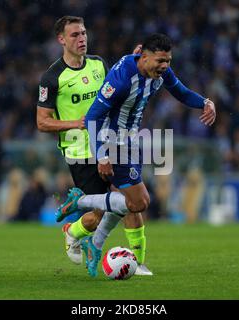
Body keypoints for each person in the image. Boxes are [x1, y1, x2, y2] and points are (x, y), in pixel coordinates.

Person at [57, 33, 216, 277]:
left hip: (132, 141)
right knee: (138, 202)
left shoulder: (159, 73)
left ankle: (114, 252)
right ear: (144, 57)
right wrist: (101, 155)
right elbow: (91, 117)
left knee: (131, 206)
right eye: (160, 61)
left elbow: (181, 92)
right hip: (111, 142)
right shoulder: (122, 79)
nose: (164, 66)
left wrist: (205, 102)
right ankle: (79, 205)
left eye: (168, 61)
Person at [36, 16, 152, 275]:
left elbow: (116, 86)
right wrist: (76, 123)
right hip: (79, 152)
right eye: (75, 35)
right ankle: (73, 228)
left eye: (84, 33)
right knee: (97, 216)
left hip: (109, 143)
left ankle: (139, 262)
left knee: (133, 199)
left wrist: (136, 62)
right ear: (61, 40)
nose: (82, 39)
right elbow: (42, 123)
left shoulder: (98, 64)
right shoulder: (52, 77)